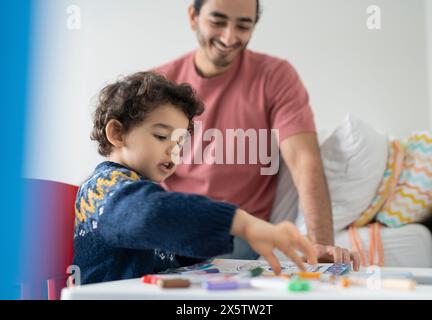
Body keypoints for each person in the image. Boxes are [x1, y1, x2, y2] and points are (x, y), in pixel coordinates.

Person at [153, 0, 360, 268]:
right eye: (218, 21)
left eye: (243, 25)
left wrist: (318, 245)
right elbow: (137, 168)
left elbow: (303, 161)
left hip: (237, 232)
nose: (229, 37)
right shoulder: (159, 83)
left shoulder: (274, 77)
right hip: (173, 222)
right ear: (193, 17)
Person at [73, 71, 317, 284]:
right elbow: (151, 213)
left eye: (180, 142)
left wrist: (231, 234)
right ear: (117, 133)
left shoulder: (139, 190)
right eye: (161, 136)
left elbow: (170, 253)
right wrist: (240, 222)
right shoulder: (102, 188)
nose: (174, 151)